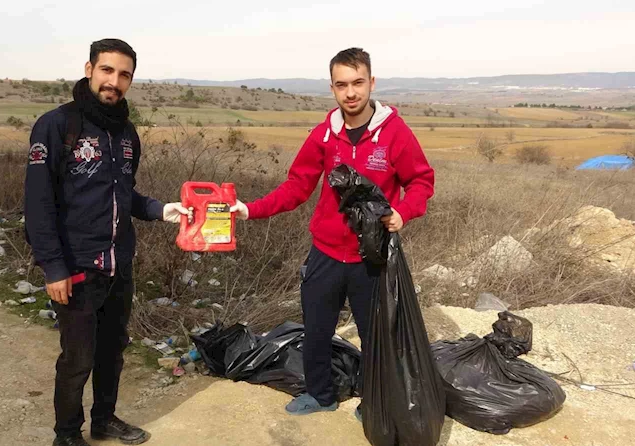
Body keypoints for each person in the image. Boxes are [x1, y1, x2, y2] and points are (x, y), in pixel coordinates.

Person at [230, 47, 435, 417]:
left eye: (358, 83)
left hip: (370, 257)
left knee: (377, 337)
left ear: (372, 83)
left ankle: (375, 401)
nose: (351, 93)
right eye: (342, 85)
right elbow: (296, 186)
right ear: (332, 88)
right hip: (325, 253)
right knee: (317, 331)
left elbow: (421, 181)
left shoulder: (395, 134)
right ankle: (320, 395)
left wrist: (403, 212)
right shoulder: (325, 134)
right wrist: (250, 209)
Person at [24, 38, 189, 446]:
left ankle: (104, 419)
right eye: (107, 70)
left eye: (124, 74)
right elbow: (38, 202)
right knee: (77, 357)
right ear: (89, 69)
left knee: (112, 350)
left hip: (119, 264)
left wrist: (157, 208)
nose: (114, 81)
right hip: (77, 266)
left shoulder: (127, 133)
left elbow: (122, 193)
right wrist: (54, 268)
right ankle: (66, 435)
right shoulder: (58, 126)